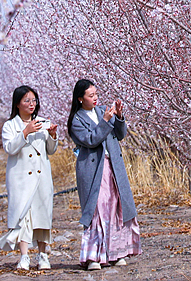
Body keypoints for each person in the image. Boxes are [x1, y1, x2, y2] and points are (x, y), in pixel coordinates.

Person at [67, 79, 141, 270]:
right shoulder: (77, 120)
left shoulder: (102, 111)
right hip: (93, 170)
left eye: (96, 94)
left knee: (115, 206)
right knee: (97, 209)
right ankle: (93, 257)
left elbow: (120, 134)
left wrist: (120, 117)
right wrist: (106, 121)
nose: (95, 98)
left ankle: (117, 252)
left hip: (113, 166)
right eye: (90, 95)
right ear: (80, 99)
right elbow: (91, 140)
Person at [0, 85, 58, 270]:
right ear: (17, 104)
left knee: (42, 215)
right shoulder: (10, 126)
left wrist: (52, 136)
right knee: (22, 216)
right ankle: (24, 256)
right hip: (21, 178)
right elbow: (9, 148)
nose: (31, 104)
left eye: (34, 100)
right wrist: (25, 132)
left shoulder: (43, 122)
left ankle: (43, 255)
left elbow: (50, 150)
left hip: (41, 177)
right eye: (27, 101)